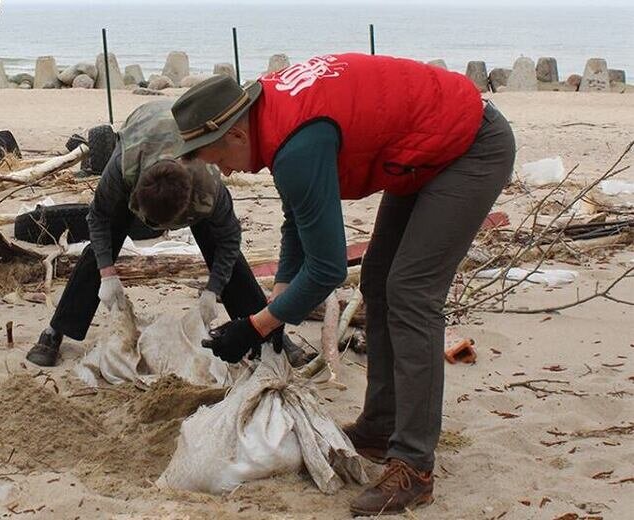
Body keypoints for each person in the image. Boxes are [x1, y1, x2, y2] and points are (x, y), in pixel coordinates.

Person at [171, 55, 515, 515]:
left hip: (470, 144)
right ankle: (380, 425)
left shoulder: (295, 142)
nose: (227, 173)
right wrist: (278, 304)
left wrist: (255, 326)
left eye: (220, 161)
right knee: (377, 281)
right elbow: (299, 217)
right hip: (424, 147)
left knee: (411, 292)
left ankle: (414, 465)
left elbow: (329, 269)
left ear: (235, 133)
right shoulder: (270, 120)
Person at [25, 100, 311, 368]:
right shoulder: (122, 169)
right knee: (101, 247)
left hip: (185, 168)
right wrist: (107, 273)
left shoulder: (209, 185)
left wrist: (214, 289)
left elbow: (229, 240)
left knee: (228, 257)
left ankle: (270, 332)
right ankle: (56, 330)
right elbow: (97, 217)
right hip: (145, 133)